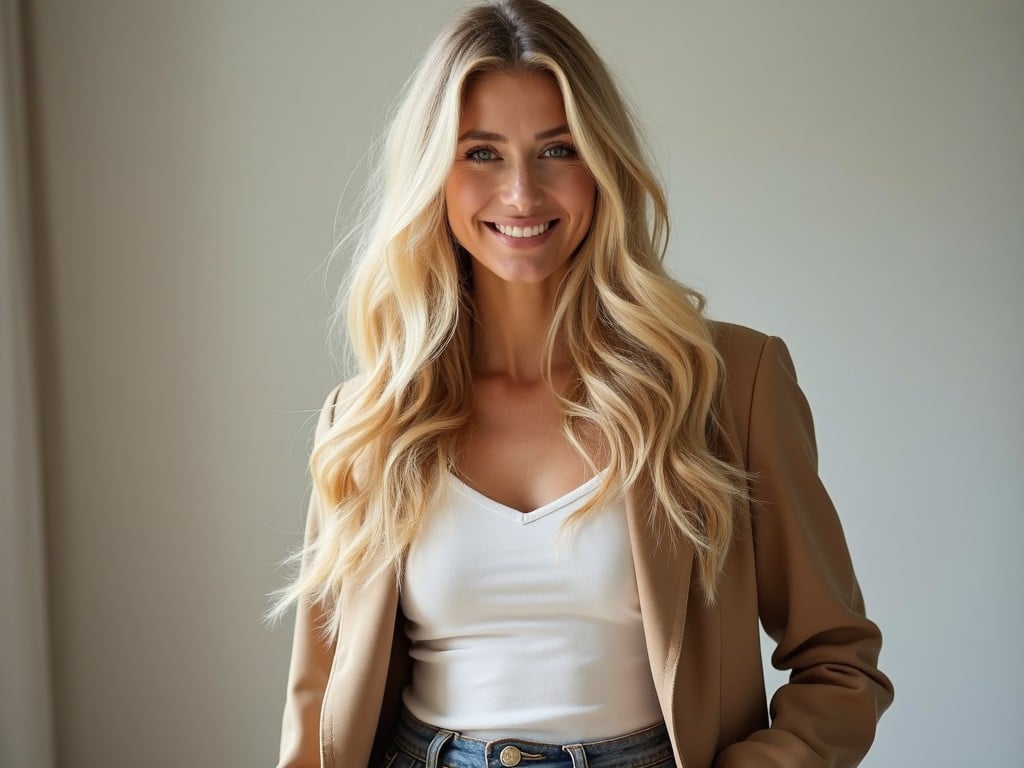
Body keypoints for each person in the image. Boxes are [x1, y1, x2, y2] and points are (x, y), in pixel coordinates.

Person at [271, 1, 893, 766]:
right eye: (482, 154)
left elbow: (839, 659)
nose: (523, 194)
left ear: (602, 164)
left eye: (557, 149)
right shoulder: (369, 419)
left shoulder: (729, 385)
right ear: (433, 175)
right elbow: (318, 694)